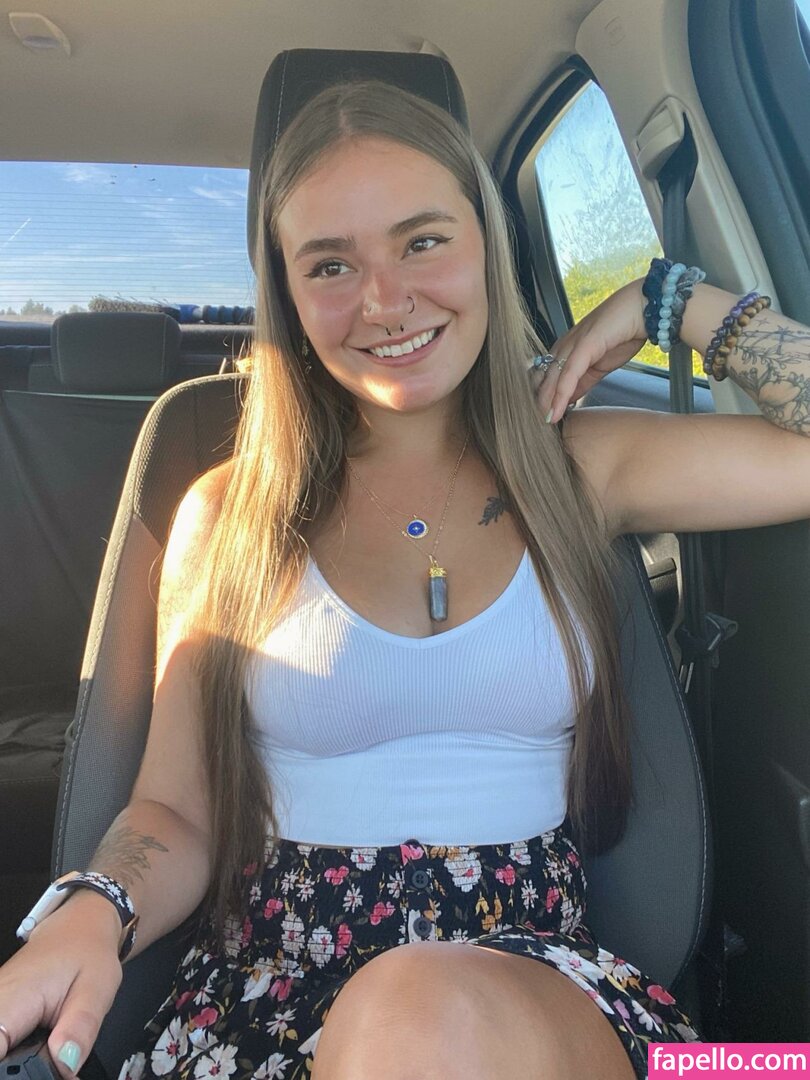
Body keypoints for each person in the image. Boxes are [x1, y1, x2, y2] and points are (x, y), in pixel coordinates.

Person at [1, 79, 810, 1080]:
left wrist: (673, 302)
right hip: (267, 994)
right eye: (331, 264)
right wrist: (96, 906)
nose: (385, 301)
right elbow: (174, 811)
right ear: (289, 296)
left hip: (535, 990)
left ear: (488, 245)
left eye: (423, 241)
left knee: (419, 1010)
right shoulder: (229, 513)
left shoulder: (580, 468)